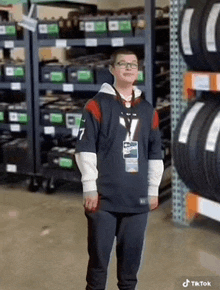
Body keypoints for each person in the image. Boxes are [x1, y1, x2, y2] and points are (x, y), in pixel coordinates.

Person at [75, 48, 164, 290]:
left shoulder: (148, 110)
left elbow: (156, 153)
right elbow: (85, 148)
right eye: (122, 64)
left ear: (138, 70)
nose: (128, 68)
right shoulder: (95, 105)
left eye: (133, 64)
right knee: (98, 266)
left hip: (137, 201)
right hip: (103, 200)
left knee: (129, 273)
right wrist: (89, 188)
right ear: (112, 69)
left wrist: (153, 189)